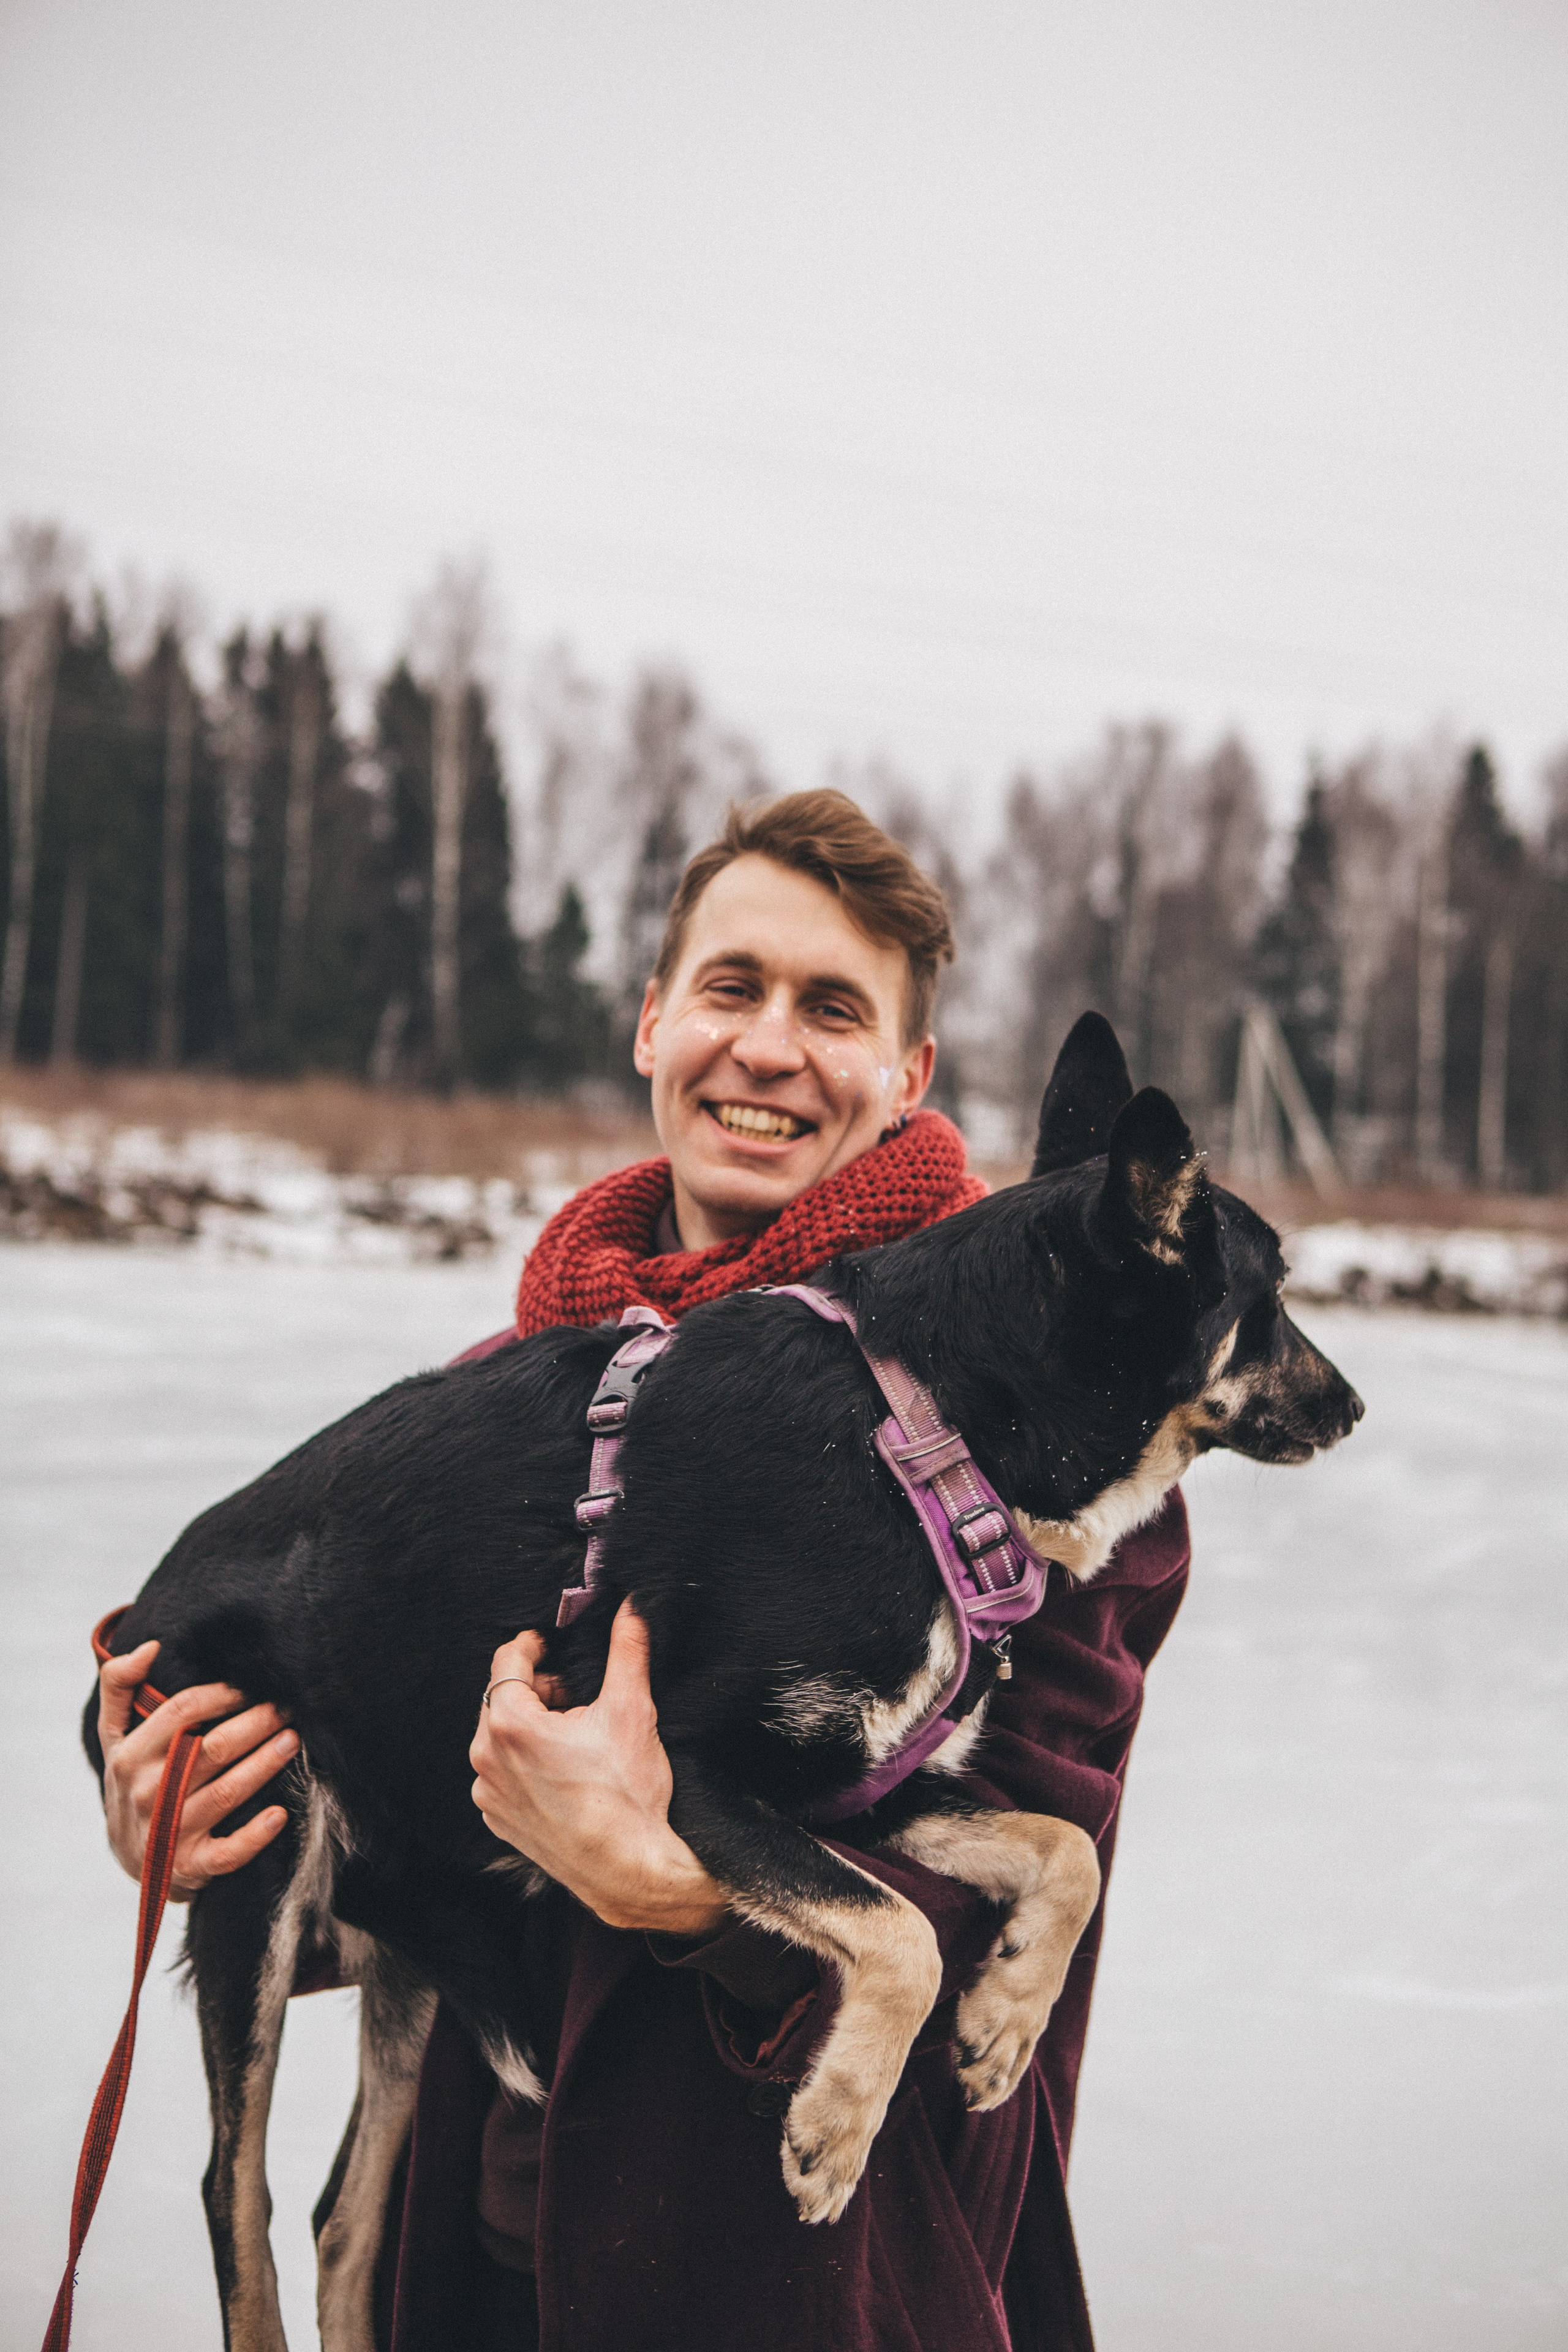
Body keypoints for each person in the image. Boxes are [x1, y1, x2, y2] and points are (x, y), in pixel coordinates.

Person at [97, 790, 1190, 2351]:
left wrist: (680, 1895)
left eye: (832, 1011)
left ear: (908, 1077)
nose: (765, 1048)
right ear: (652, 1023)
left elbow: (986, 1935)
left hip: (819, 2285)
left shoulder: (1030, 1451)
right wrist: (184, 1806)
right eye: (731, 988)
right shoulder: (518, 1395)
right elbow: (407, 1861)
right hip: (485, 2279)